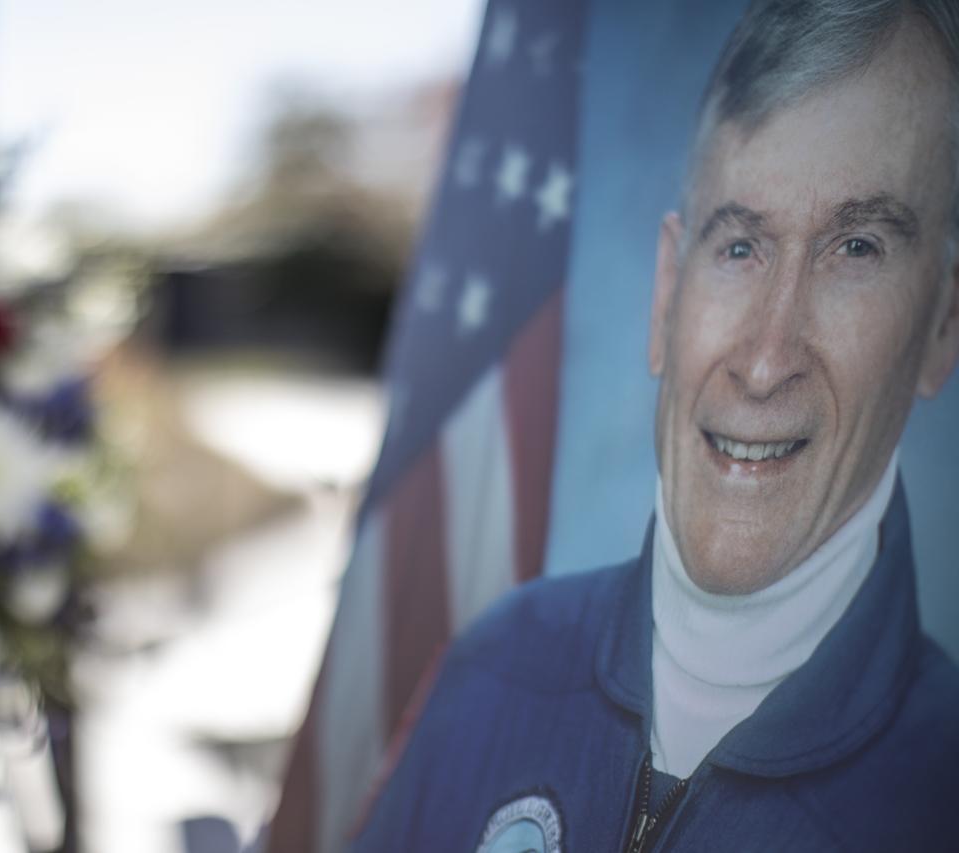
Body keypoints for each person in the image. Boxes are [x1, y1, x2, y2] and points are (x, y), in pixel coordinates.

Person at [349, 1, 959, 851]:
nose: (764, 359)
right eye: (740, 246)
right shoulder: (492, 670)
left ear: (942, 325)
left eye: (856, 249)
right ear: (667, 293)